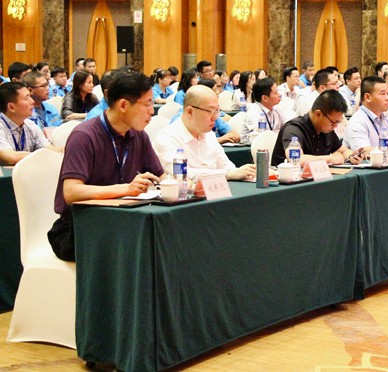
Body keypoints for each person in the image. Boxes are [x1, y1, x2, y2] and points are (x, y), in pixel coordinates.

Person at [47, 70, 165, 261]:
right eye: (147, 104)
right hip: (80, 230)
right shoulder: (84, 136)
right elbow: (71, 192)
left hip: (122, 223)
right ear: (123, 105)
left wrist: (186, 187)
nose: (152, 110)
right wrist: (126, 189)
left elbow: (162, 178)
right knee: (144, 251)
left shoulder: (139, 135)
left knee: (165, 241)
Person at [154, 85, 255, 182]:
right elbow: (180, 174)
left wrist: (244, 172)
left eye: (217, 111)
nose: (215, 117)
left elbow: (227, 166)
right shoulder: (167, 138)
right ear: (190, 111)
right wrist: (227, 174)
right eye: (210, 111)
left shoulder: (209, 134)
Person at [272, 90, 359, 167]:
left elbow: (343, 151)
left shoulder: (326, 129)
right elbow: (296, 159)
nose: (335, 126)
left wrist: (352, 156)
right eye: (333, 122)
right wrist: (330, 158)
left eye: (338, 122)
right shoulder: (293, 129)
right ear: (318, 114)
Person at [0, 82, 56, 165]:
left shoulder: (30, 124)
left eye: (30, 96)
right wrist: (43, 155)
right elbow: (10, 157)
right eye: (26, 98)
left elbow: (50, 150)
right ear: (11, 107)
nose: (32, 101)